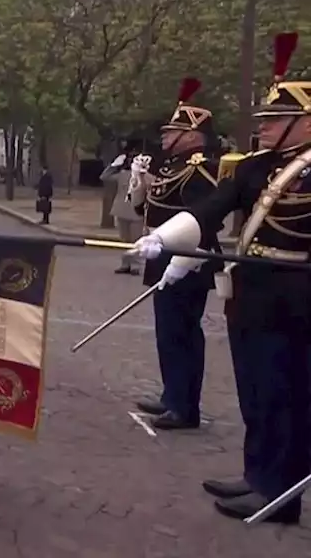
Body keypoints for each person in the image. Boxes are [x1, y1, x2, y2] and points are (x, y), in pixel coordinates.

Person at [128, 32, 308, 524]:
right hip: (252, 294)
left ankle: (280, 492)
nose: (265, 127)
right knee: (256, 390)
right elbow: (213, 206)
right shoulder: (255, 168)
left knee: (287, 395)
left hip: (298, 299)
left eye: (276, 120)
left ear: (305, 122)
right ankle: (258, 476)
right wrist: (165, 238)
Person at [131, 78, 221, 431]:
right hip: (161, 253)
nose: (165, 137)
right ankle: (172, 395)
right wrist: (139, 185)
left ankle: (185, 407)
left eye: (173, 132)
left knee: (182, 331)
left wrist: (182, 256)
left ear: (192, 135)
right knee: (167, 332)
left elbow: (204, 217)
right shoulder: (170, 166)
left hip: (188, 259)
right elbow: (150, 211)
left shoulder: (201, 167)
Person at [101, 145, 146, 275]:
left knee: (136, 241)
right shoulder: (122, 174)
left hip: (137, 211)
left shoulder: (144, 175)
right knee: (124, 240)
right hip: (122, 209)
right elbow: (104, 177)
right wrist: (114, 165)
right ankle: (125, 264)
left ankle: (135, 266)